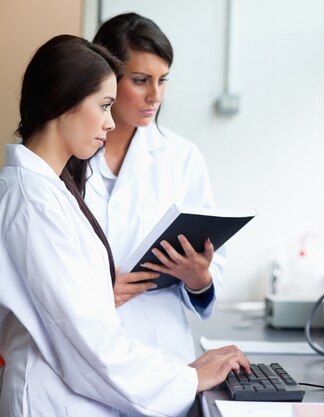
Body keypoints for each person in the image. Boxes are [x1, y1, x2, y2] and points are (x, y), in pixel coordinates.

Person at [0, 34, 250, 417]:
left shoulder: (49, 190)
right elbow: (85, 340)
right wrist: (186, 378)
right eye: (103, 105)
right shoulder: (33, 200)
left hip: (103, 384)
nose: (109, 121)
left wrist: (180, 371)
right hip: (58, 398)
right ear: (62, 100)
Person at [77, 12, 222, 364]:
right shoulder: (67, 154)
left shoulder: (181, 158)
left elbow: (208, 280)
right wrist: (91, 295)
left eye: (163, 80)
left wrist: (199, 277)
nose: (155, 96)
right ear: (105, 78)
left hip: (160, 352)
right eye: (141, 80)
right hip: (81, 346)